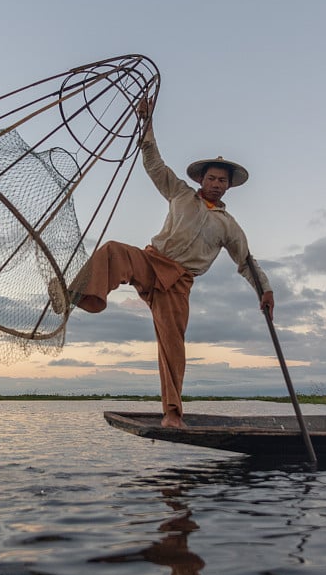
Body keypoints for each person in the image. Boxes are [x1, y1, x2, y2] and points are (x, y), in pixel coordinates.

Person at [50, 98, 274, 428]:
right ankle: (76, 297)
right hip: (152, 260)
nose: (215, 184)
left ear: (228, 186)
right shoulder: (181, 194)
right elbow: (155, 165)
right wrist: (147, 123)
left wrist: (264, 291)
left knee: (172, 345)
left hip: (178, 283)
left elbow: (246, 263)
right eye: (211, 178)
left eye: (222, 181)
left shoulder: (229, 226)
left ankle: (172, 414)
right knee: (113, 250)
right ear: (202, 180)